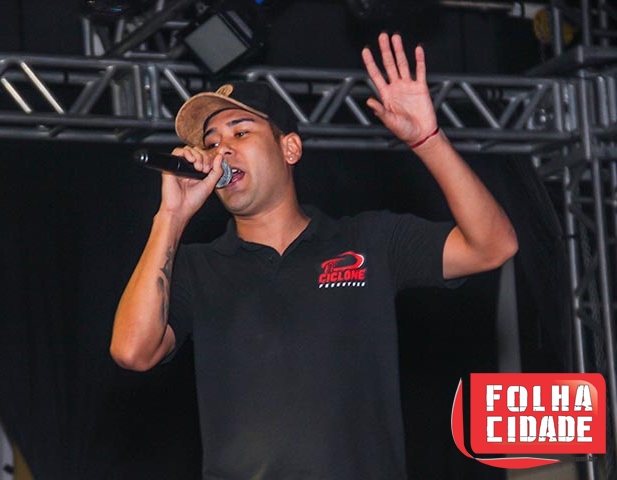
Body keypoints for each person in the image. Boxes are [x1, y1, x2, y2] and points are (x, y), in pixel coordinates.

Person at [111, 33, 518, 479]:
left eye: (240, 132)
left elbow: (494, 246)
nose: (220, 150)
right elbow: (132, 351)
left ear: (290, 148)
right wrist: (171, 216)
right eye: (211, 143)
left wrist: (428, 140)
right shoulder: (197, 266)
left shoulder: (368, 241)